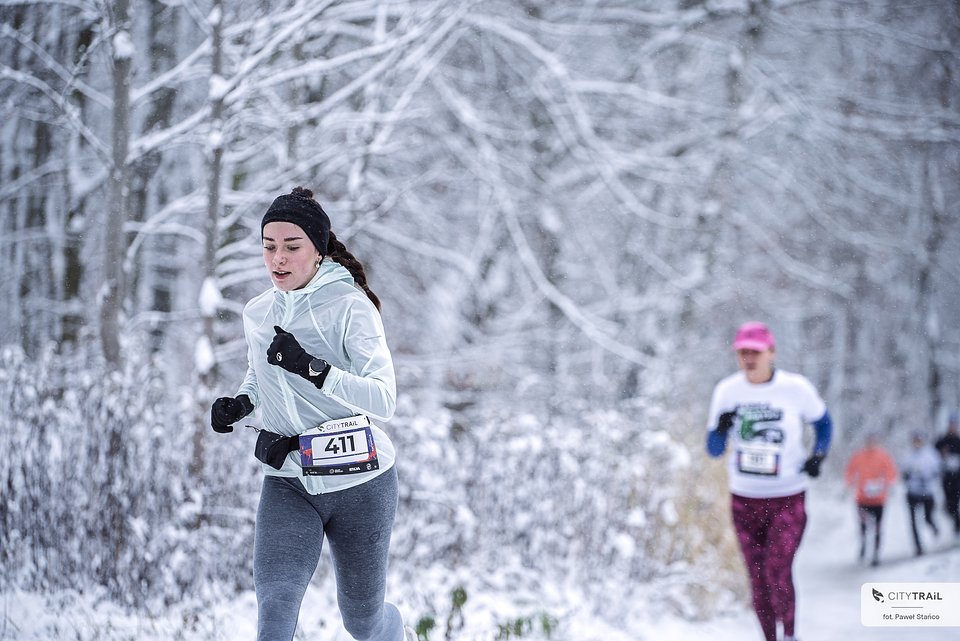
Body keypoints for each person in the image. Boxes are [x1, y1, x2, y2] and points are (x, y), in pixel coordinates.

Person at [210, 187, 405, 641]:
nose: (278, 258)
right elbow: (260, 379)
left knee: (363, 622)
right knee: (275, 611)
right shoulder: (258, 313)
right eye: (269, 246)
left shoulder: (350, 308)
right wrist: (240, 404)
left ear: (317, 250)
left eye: (292, 246)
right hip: (290, 481)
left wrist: (315, 370)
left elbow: (385, 400)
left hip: (362, 483)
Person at [706, 321, 832, 641]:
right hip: (744, 499)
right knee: (758, 578)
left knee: (777, 568)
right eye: (743, 352)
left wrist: (818, 455)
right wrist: (720, 428)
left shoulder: (795, 389)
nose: (749, 358)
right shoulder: (727, 391)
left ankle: (790, 634)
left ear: (771, 352)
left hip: (787, 497)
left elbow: (824, 424)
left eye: (755, 352)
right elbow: (714, 450)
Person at [843, 431, 898, 566]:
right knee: (863, 526)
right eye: (869, 441)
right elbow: (850, 470)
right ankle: (863, 545)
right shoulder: (859, 456)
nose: (871, 444)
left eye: (873, 441)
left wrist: (890, 482)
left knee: (878, 527)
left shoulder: (883, 456)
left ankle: (876, 554)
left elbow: (891, 470)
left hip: (879, 499)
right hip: (862, 499)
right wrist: (848, 483)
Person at [901, 430, 941, 556]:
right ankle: (918, 546)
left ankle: (933, 526)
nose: (917, 443)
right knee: (913, 521)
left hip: (927, 492)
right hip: (912, 492)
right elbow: (903, 473)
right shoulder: (907, 455)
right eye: (915, 440)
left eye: (919, 440)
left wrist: (927, 477)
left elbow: (938, 470)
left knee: (927, 517)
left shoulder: (930, 454)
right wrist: (909, 477)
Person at [934, 413, 960, 541]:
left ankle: (957, 528)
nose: (952, 427)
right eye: (951, 424)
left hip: (958, 477)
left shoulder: (958, 440)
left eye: (954, 424)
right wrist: (941, 455)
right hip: (946, 477)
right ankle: (955, 523)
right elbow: (932, 456)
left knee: (955, 502)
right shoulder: (942, 440)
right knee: (949, 504)